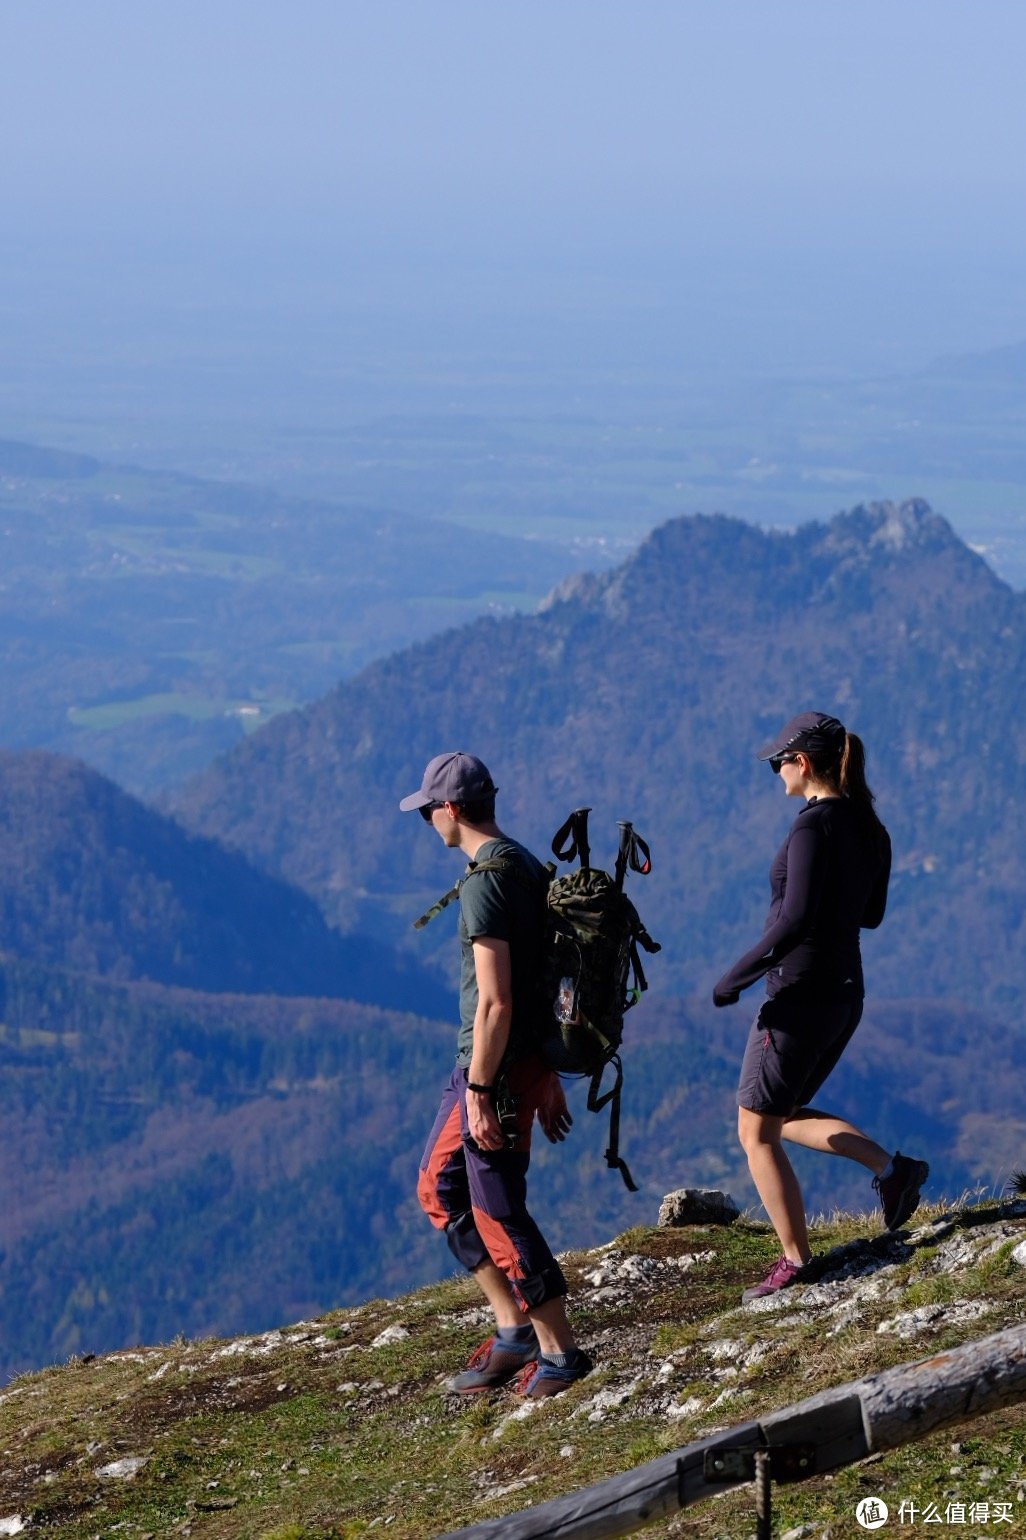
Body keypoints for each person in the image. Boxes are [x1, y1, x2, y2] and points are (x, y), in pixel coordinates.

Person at [712, 712, 929, 1302]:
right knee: (777, 1113)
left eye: (778, 762)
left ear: (802, 762)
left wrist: (735, 977)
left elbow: (794, 918)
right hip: (844, 994)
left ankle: (794, 1261)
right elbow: (872, 914)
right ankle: (892, 1170)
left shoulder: (812, 828)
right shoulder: (869, 827)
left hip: (798, 995)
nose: (775, 771)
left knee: (755, 1132)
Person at [400, 751, 593, 1396]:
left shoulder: (487, 880)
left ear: (450, 809)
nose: (427, 818)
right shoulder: (524, 863)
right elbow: (549, 983)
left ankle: (560, 1353)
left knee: (497, 1209)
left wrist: (484, 1089)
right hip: (509, 1064)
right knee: (440, 1187)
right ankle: (513, 1332)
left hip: (493, 1072)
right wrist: (549, 1069)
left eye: (429, 808)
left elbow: (497, 1001)